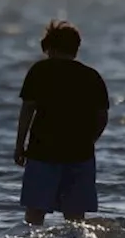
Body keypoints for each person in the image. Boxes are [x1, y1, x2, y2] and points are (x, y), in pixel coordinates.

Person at [14, 20, 109, 224]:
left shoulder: (39, 71)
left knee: (34, 215)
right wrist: (89, 141)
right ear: (76, 48)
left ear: (49, 47)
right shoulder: (91, 76)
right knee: (75, 219)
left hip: (42, 152)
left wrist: (19, 146)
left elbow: (27, 111)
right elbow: (102, 118)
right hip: (80, 153)